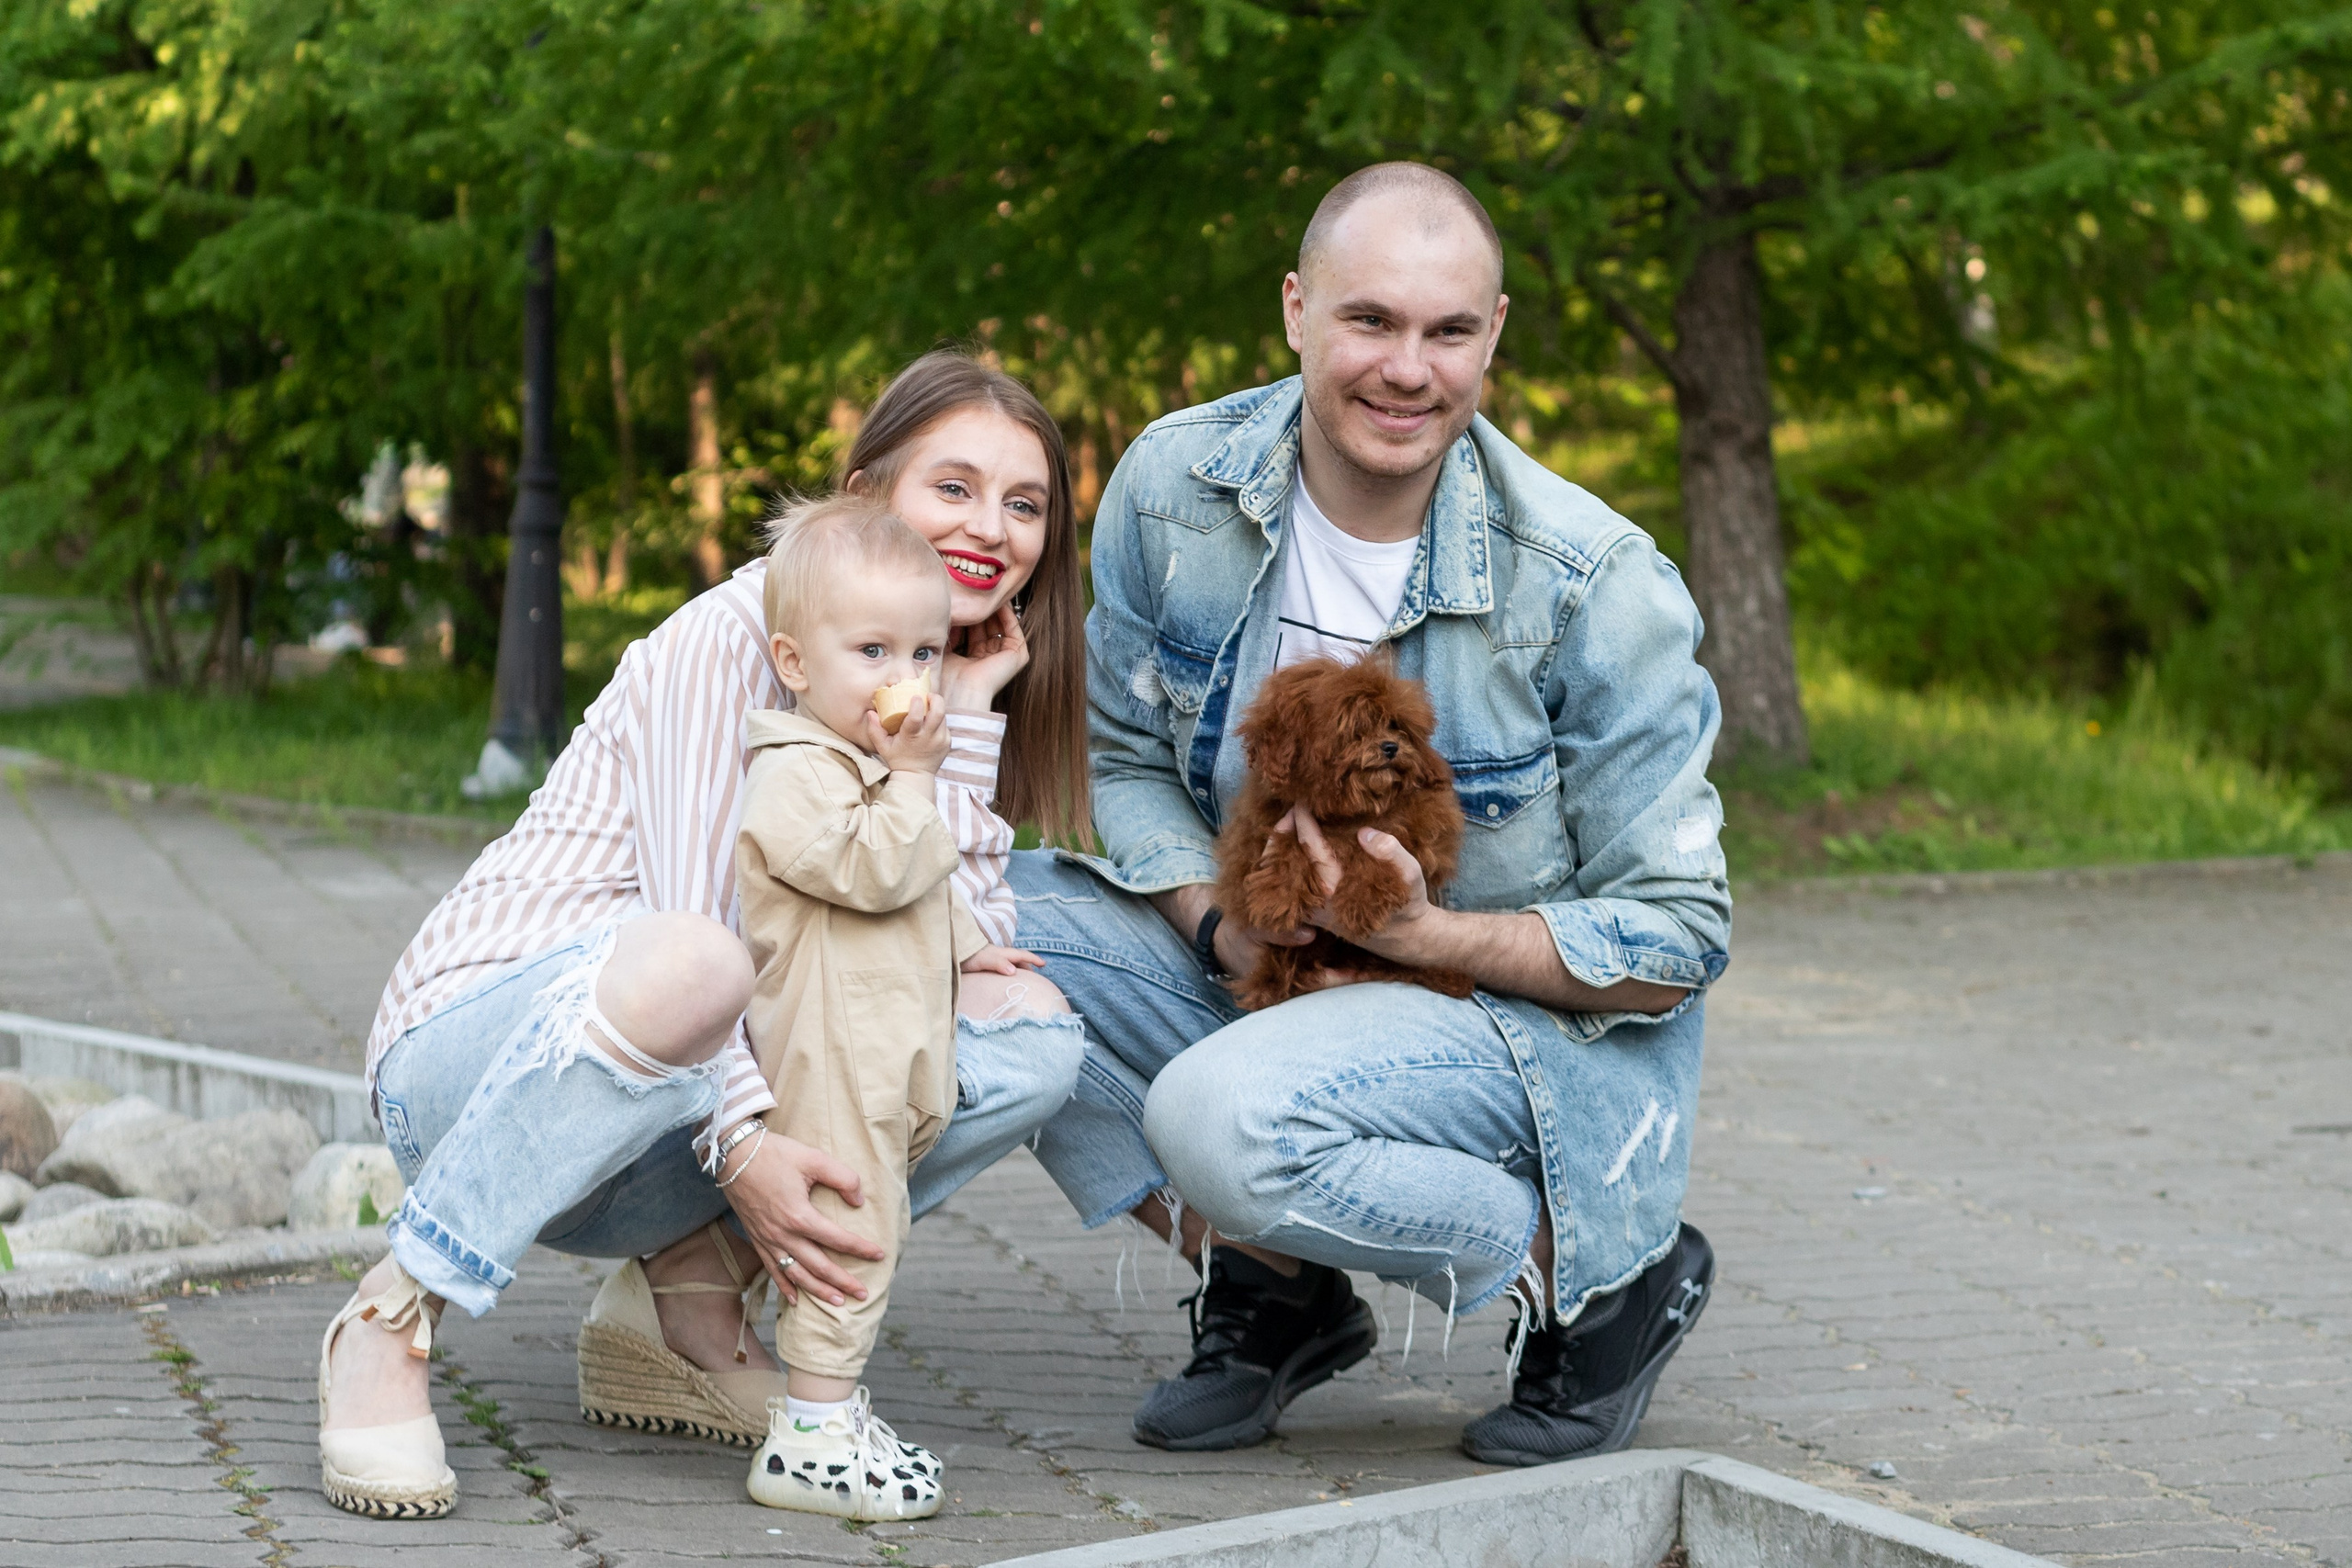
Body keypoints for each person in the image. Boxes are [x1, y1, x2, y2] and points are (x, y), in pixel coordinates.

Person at [1010, 162, 1734, 1465]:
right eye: (1370, 320)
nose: (1408, 369)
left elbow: (1676, 939)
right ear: (1296, 309)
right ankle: (1274, 1285)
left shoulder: (1592, 583)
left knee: (1220, 1116)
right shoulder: (1174, 488)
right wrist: (1222, 926)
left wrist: (1419, 935)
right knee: (984, 931)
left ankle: (1596, 1276)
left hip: (1504, 1025)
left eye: (1448, 330)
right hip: (1273, 957)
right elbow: (1122, 754)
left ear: (1493, 335)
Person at [314, 351, 1089, 1520]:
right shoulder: (727, 638)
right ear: (866, 491)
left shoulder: (915, 671)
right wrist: (744, 1152)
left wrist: (966, 718)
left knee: (1026, 1030)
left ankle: (685, 1295)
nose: (992, 527)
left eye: (1024, 504)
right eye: (955, 487)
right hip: (479, 1074)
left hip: (658, 1127)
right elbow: (686, 925)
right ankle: (389, 1313)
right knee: (698, 961)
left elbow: (958, 935)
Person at [732, 498, 1045, 1519]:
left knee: (879, 1221)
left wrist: (970, 943)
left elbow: (920, 883)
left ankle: (817, 1407)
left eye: (921, 651)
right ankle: (811, 1436)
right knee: (849, 1234)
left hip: (892, 1051)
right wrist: (914, 779)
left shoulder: (869, 768)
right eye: (871, 651)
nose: (903, 677)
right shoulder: (790, 774)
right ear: (793, 661)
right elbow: (871, 869)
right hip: (832, 1055)